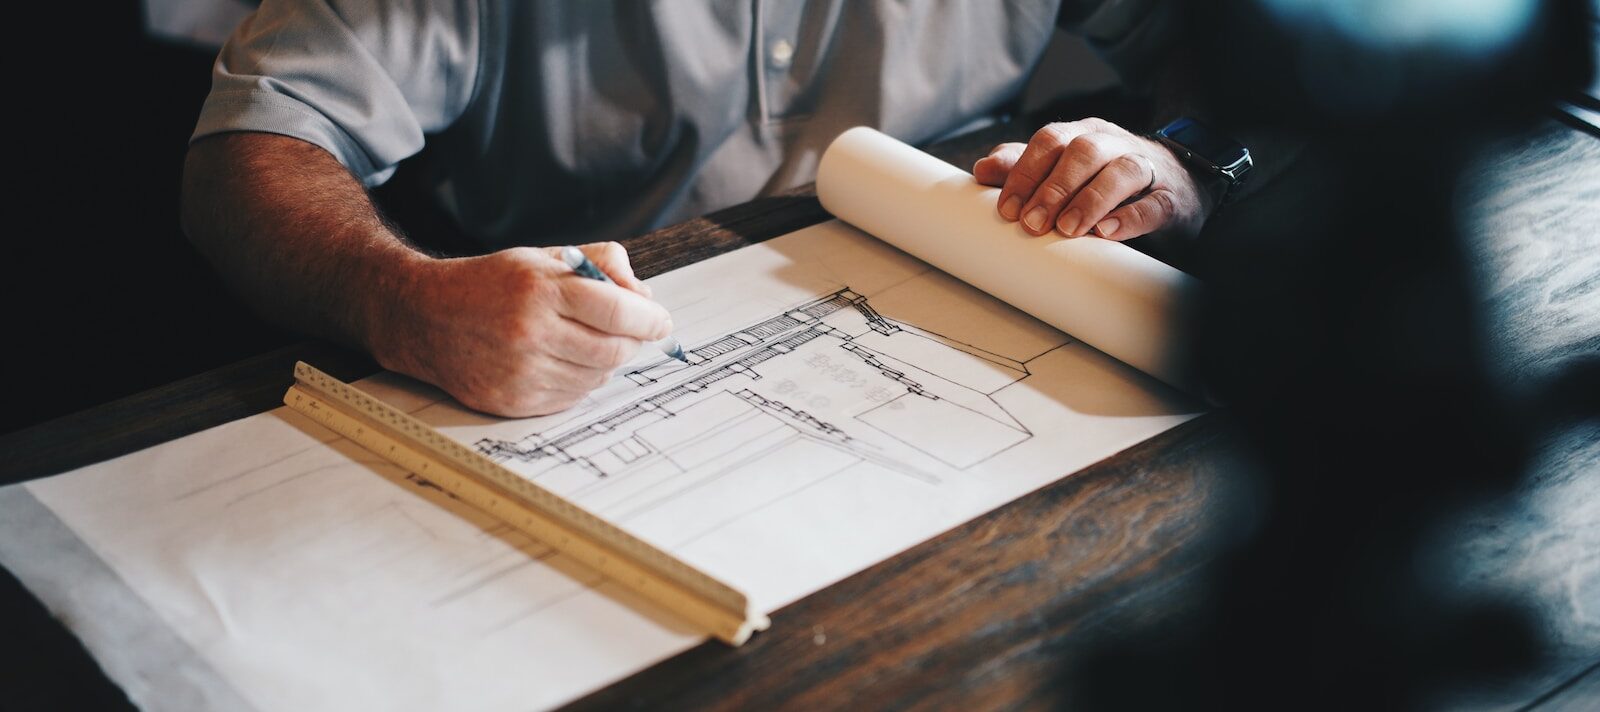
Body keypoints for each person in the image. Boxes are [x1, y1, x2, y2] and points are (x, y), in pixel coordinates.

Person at [182, 0, 1216, 417]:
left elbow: (1224, 45)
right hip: (575, 351)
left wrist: (1175, 160)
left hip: (991, 307)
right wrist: (400, 298)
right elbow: (254, 148)